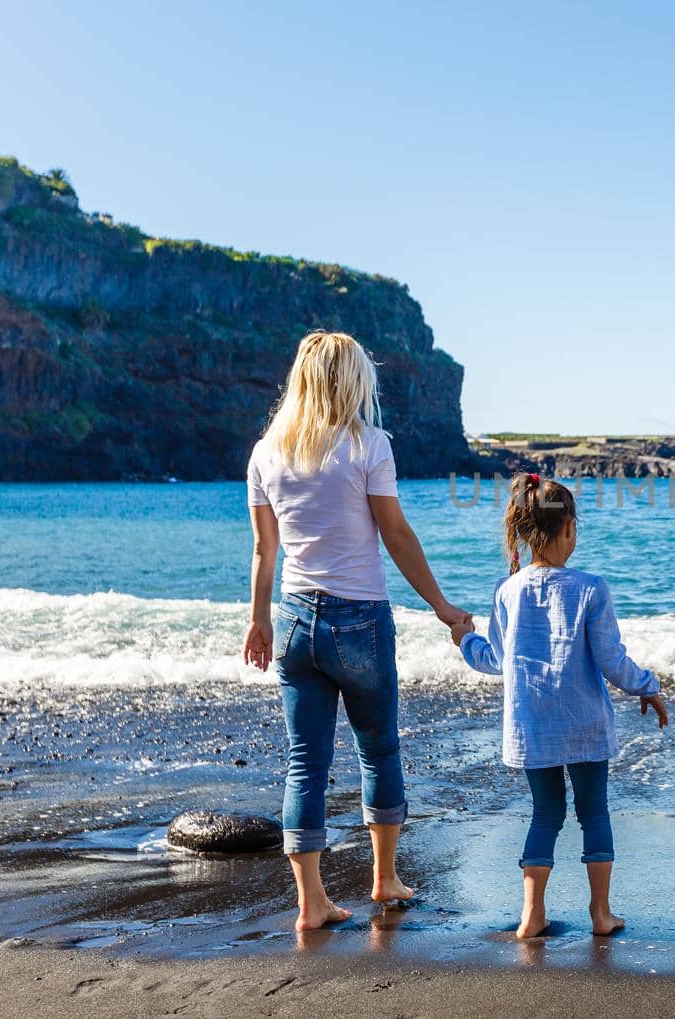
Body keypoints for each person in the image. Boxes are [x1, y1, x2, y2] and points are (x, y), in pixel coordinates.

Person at [241, 331, 469, 933]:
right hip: (360, 619)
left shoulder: (267, 451)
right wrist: (443, 606)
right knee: (379, 749)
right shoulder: (369, 445)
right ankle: (384, 877)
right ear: (352, 381)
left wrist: (259, 620)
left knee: (304, 762)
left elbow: (265, 551)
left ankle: (311, 903)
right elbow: (394, 533)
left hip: (292, 619)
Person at [451, 473, 669, 940]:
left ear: (526, 531)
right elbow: (611, 660)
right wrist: (647, 686)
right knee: (595, 813)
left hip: (533, 727)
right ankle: (601, 913)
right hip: (584, 724)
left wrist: (465, 640)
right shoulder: (591, 588)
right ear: (568, 527)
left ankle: (531, 915)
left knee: (545, 814)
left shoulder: (507, 591)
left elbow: (496, 661)